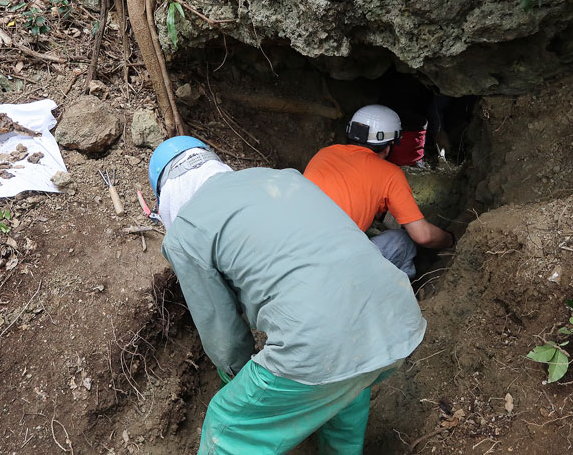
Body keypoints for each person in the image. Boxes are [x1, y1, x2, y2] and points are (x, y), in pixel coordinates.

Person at [149, 136, 426, 454]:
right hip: (395, 315)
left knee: (227, 427)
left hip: (323, 338)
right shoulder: (281, 177)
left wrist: (241, 383)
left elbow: (222, 335)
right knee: (345, 392)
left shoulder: (185, 233)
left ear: (167, 195)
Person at [304, 105, 455, 280]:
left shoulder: (324, 154)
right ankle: (399, 293)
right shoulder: (389, 173)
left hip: (297, 255)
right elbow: (423, 236)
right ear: (389, 146)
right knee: (403, 241)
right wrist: (450, 239)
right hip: (336, 271)